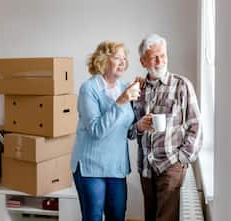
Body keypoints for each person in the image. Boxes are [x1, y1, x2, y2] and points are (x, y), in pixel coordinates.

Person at [128, 34, 203, 221]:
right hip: (145, 167)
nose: (160, 61)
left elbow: (196, 126)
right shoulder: (138, 89)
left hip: (171, 166)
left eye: (163, 55)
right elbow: (128, 131)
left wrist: (181, 158)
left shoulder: (182, 85)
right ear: (143, 61)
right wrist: (138, 126)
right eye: (154, 57)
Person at [70, 41, 140, 221]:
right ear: (102, 60)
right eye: (118, 57)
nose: (123, 62)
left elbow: (122, 127)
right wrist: (121, 102)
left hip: (116, 167)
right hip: (91, 167)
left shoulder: (125, 88)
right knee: (93, 217)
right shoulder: (89, 89)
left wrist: (139, 126)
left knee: (117, 216)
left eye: (125, 58)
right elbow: (96, 130)